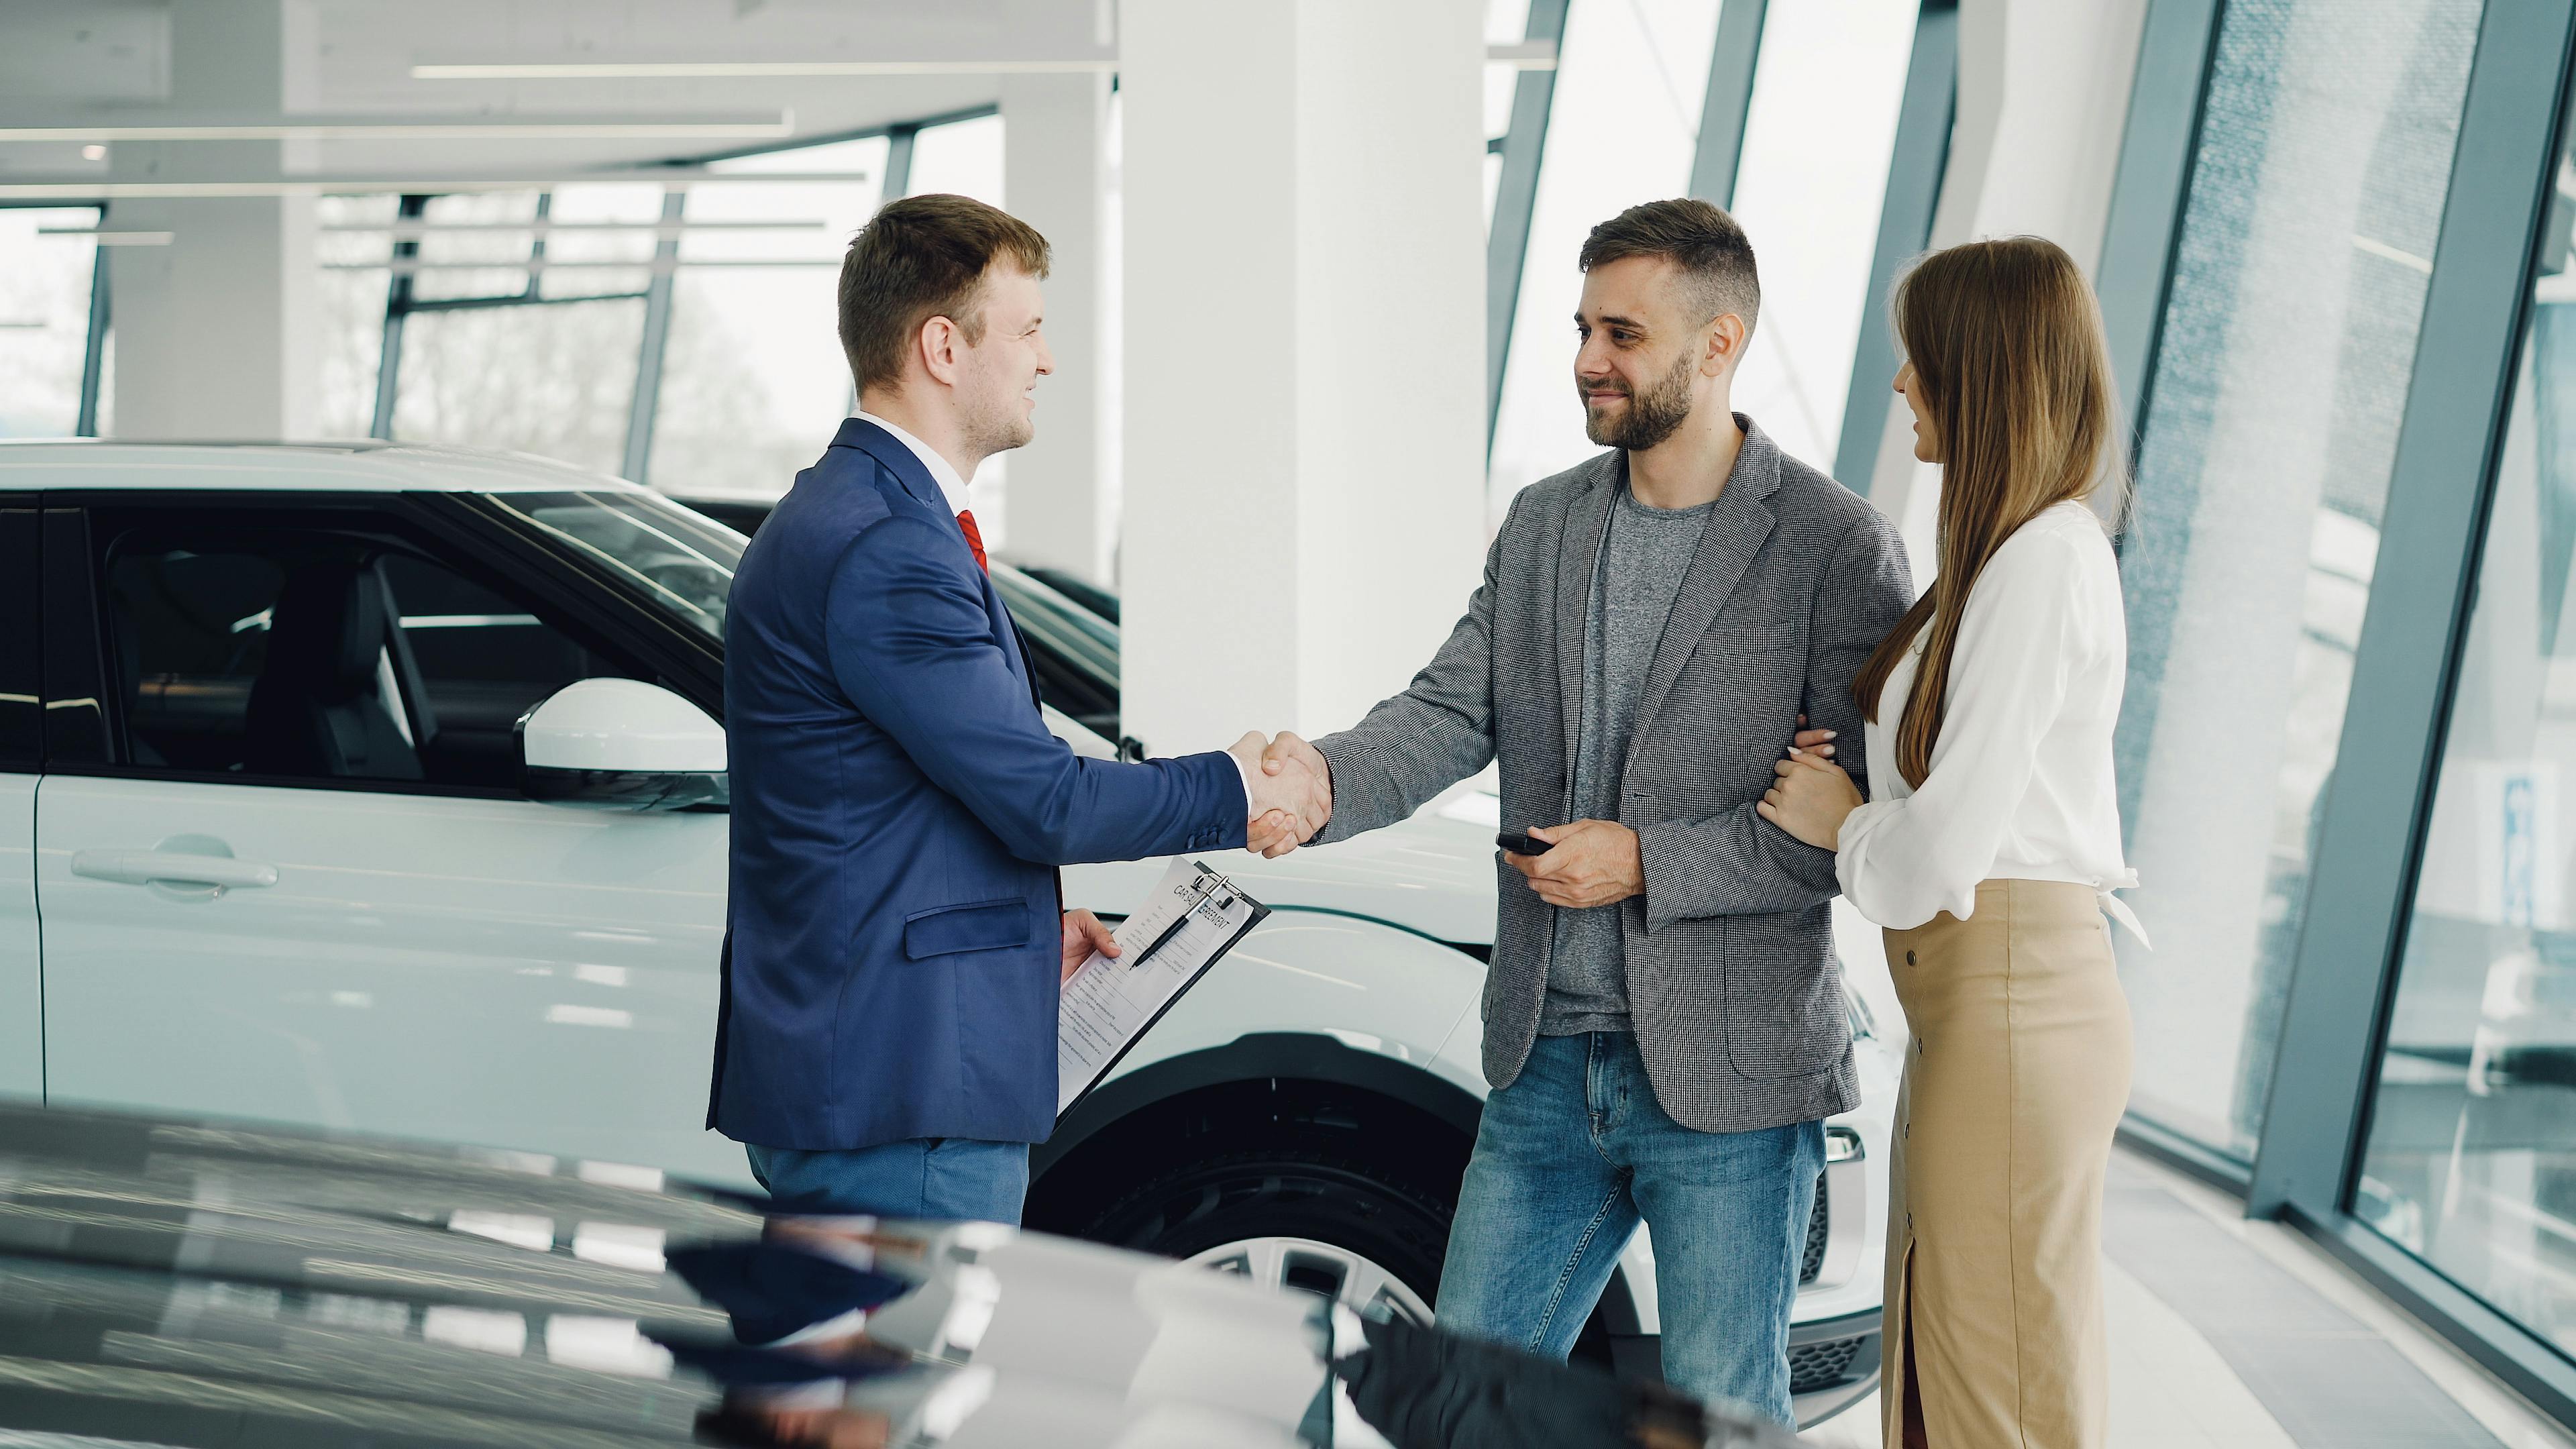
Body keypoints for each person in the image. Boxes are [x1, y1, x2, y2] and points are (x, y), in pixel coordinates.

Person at [1256, 198, 1913, 1425]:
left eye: (1623, 333)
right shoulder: (1547, 521)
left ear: (1719, 343)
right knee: (1458, 1408)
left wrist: (1645, 863)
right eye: (1581, 329)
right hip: (1546, 1063)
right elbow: (1450, 709)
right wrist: (1323, 782)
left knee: (1725, 1417)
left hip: (1731, 1080)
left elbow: (1843, 832)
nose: (1588, 360)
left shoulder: (1835, 547)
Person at [708, 193, 1322, 1226]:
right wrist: (1237, 787)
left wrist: (1024, 934)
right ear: (943, 348)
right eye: (1029, 330)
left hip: (877, 1068)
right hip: (903, 1093)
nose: (1048, 360)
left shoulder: (859, 513)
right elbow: (1045, 800)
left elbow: (893, 802)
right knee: (916, 1341)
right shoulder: (888, 546)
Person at [1758, 235, 2143, 1449]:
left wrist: (1846, 822)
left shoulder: (2043, 563)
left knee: (1994, 1391)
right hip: (1982, 1018)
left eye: (1918, 357)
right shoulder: (2005, 558)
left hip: (2015, 1007)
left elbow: (1936, 859)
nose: (1900, 383)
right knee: (1950, 1370)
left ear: (1981, 370)